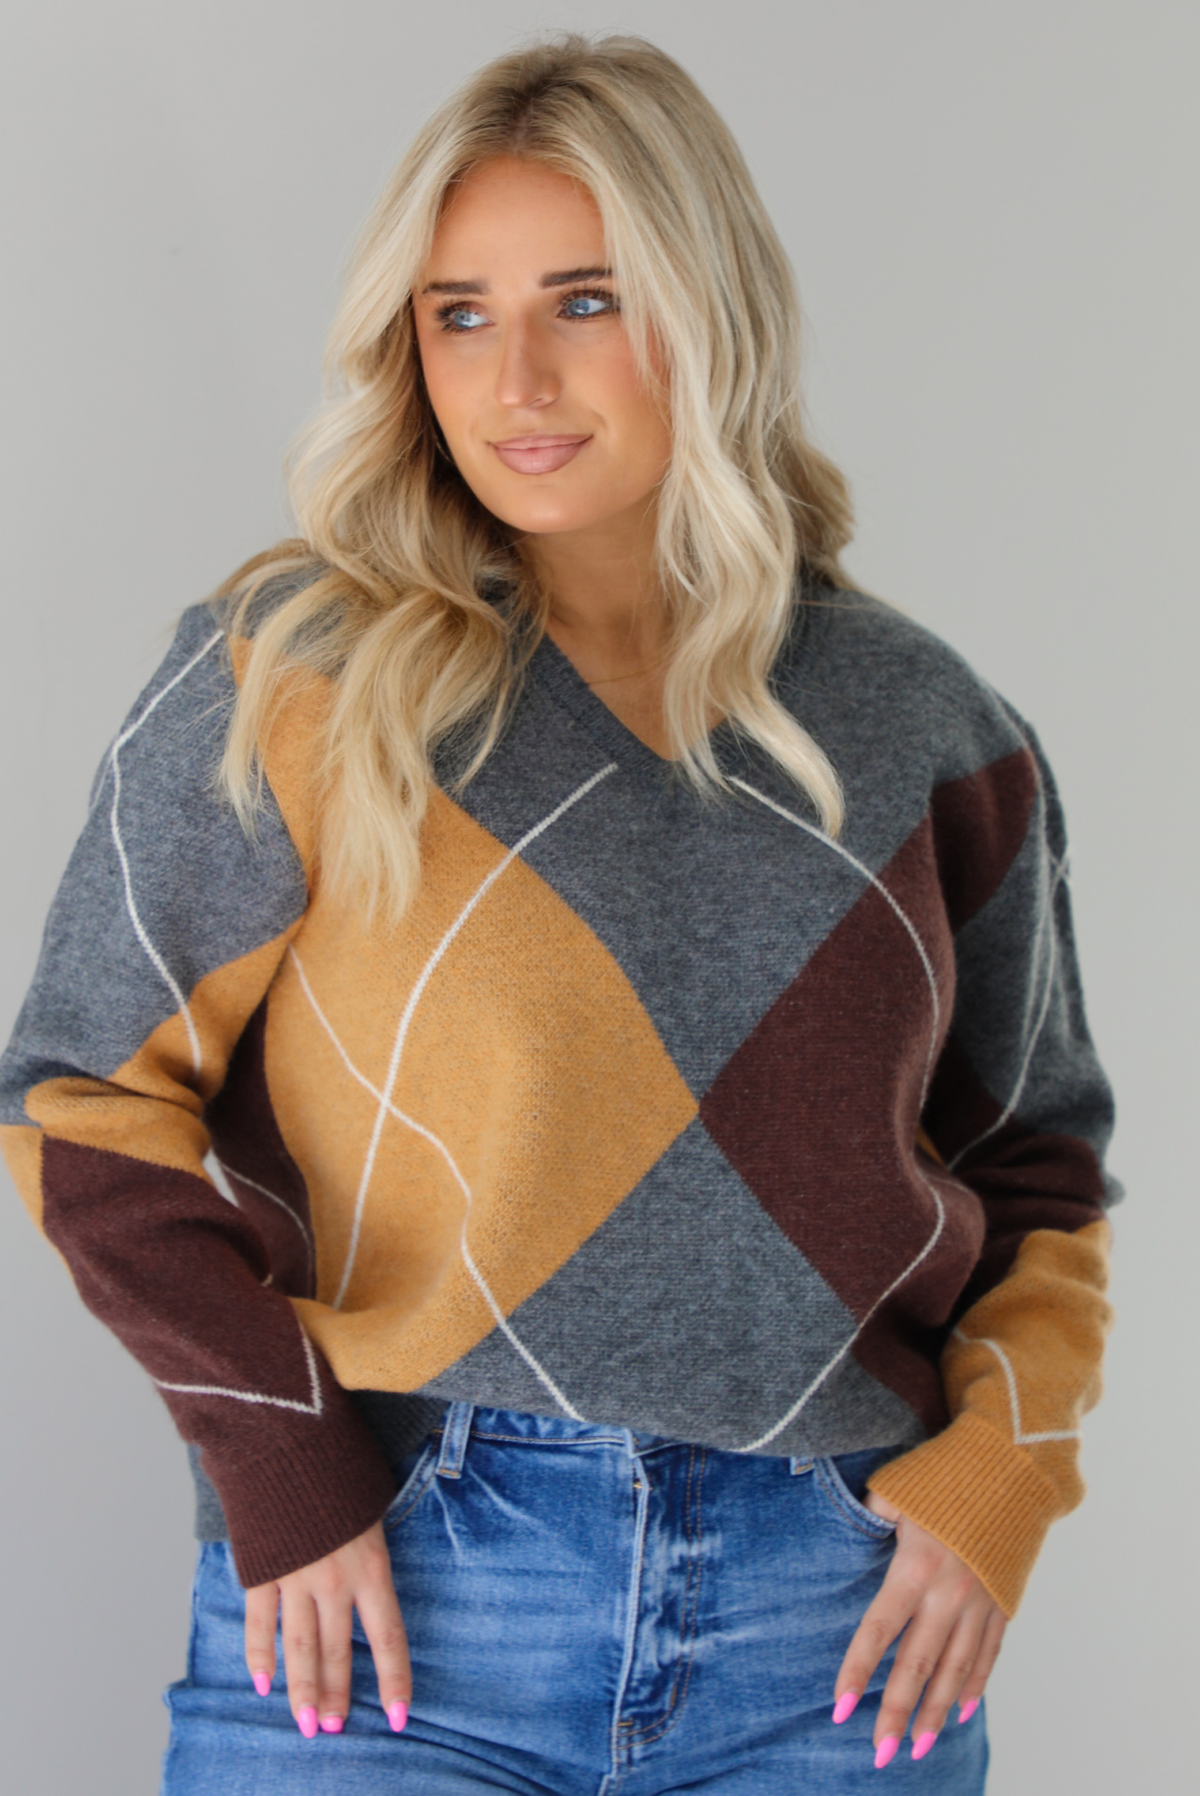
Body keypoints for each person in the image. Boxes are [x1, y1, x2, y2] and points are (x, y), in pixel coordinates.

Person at [0, 32, 1117, 1795]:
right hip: (389, 1600)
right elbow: (80, 1101)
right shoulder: (298, 676)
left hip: (827, 1630)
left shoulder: (928, 731)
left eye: (585, 301)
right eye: (456, 312)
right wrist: (283, 1467)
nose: (512, 373)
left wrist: (1000, 1490)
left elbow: (1040, 1166)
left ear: (713, 311)